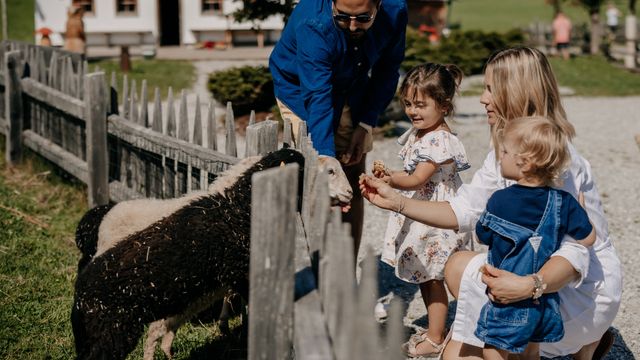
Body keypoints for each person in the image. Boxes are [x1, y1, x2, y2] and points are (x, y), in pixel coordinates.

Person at [359, 46, 621, 360]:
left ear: (517, 93)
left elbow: (576, 249)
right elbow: (465, 209)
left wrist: (529, 286)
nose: (482, 99)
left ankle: (581, 339)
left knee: (463, 350)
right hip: (532, 277)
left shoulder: (555, 161)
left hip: (572, 289)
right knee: (456, 265)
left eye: (489, 89)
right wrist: (398, 202)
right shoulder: (509, 153)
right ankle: (575, 346)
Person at [269, 0, 408, 256]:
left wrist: (366, 123)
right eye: (342, 18)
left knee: (353, 178)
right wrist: (326, 156)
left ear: (379, 5)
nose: (353, 26)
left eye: (363, 18)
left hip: (352, 84)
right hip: (301, 89)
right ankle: (317, 270)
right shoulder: (313, 23)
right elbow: (317, 94)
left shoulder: (395, 10)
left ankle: (345, 273)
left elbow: (388, 68)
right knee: (319, 179)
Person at [474, 116, 596, 360]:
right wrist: (582, 212)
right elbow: (588, 238)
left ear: (525, 163)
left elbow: (481, 235)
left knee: (493, 349)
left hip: (507, 297)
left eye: (506, 152)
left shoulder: (499, 200)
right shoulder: (563, 202)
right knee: (532, 351)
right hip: (543, 299)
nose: (501, 157)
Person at [372, 63, 470, 358]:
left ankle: (438, 336)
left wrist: (389, 178)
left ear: (444, 105)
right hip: (424, 213)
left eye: (421, 105)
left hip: (435, 218)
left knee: (433, 277)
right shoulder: (422, 133)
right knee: (427, 276)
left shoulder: (438, 140)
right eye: (408, 104)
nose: (413, 111)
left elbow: (417, 178)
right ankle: (442, 330)